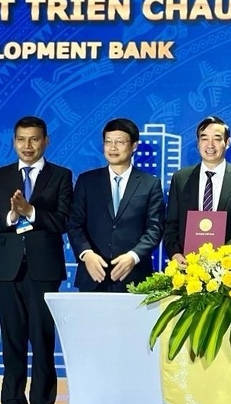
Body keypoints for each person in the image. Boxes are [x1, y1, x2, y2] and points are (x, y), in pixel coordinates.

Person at [0, 116, 73, 404]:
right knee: (13, 342)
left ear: (46, 141)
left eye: (33, 139)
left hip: (44, 269)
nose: (27, 146)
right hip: (7, 270)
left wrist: (30, 211)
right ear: (14, 142)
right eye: (21, 139)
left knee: (42, 341)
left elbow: (62, 220)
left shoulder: (61, 176)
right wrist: (11, 214)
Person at [67, 118, 165, 292]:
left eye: (119, 142)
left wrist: (133, 257)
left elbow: (155, 228)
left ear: (134, 145)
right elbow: (74, 224)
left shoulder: (150, 184)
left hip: (135, 277)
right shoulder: (87, 181)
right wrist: (86, 254)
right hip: (93, 276)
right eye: (108, 142)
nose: (113, 148)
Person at [164, 115, 231, 265]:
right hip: (188, 266)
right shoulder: (181, 178)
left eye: (216, 138)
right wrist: (175, 253)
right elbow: (171, 224)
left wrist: (227, 252)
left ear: (227, 142)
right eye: (204, 138)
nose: (210, 145)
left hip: (229, 267)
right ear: (198, 143)